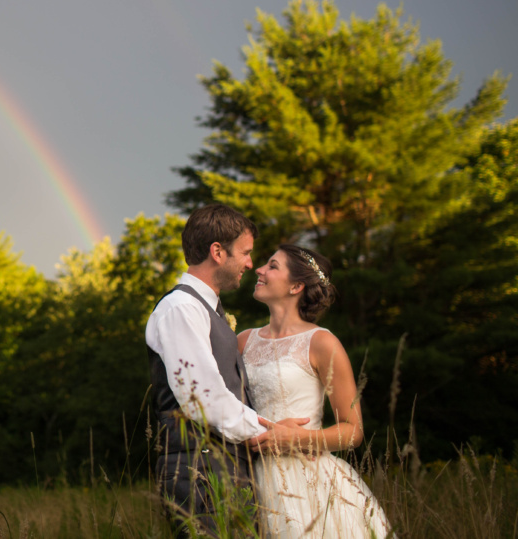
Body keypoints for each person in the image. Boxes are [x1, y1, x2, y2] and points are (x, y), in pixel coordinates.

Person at [146, 204, 308, 534]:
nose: (251, 263)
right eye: (246, 253)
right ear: (217, 252)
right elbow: (202, 398)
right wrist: (269, 432)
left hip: (222, 464)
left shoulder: (206, 309)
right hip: (199, 467)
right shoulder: (181, 308)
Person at [241, 244, 392, 538]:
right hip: (249, 474)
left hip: (308, 481)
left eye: (272, 266)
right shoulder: (243, 341)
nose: (259, 270)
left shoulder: (322, 343)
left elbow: (353, 431)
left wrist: (300, 438)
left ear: (296, 285)